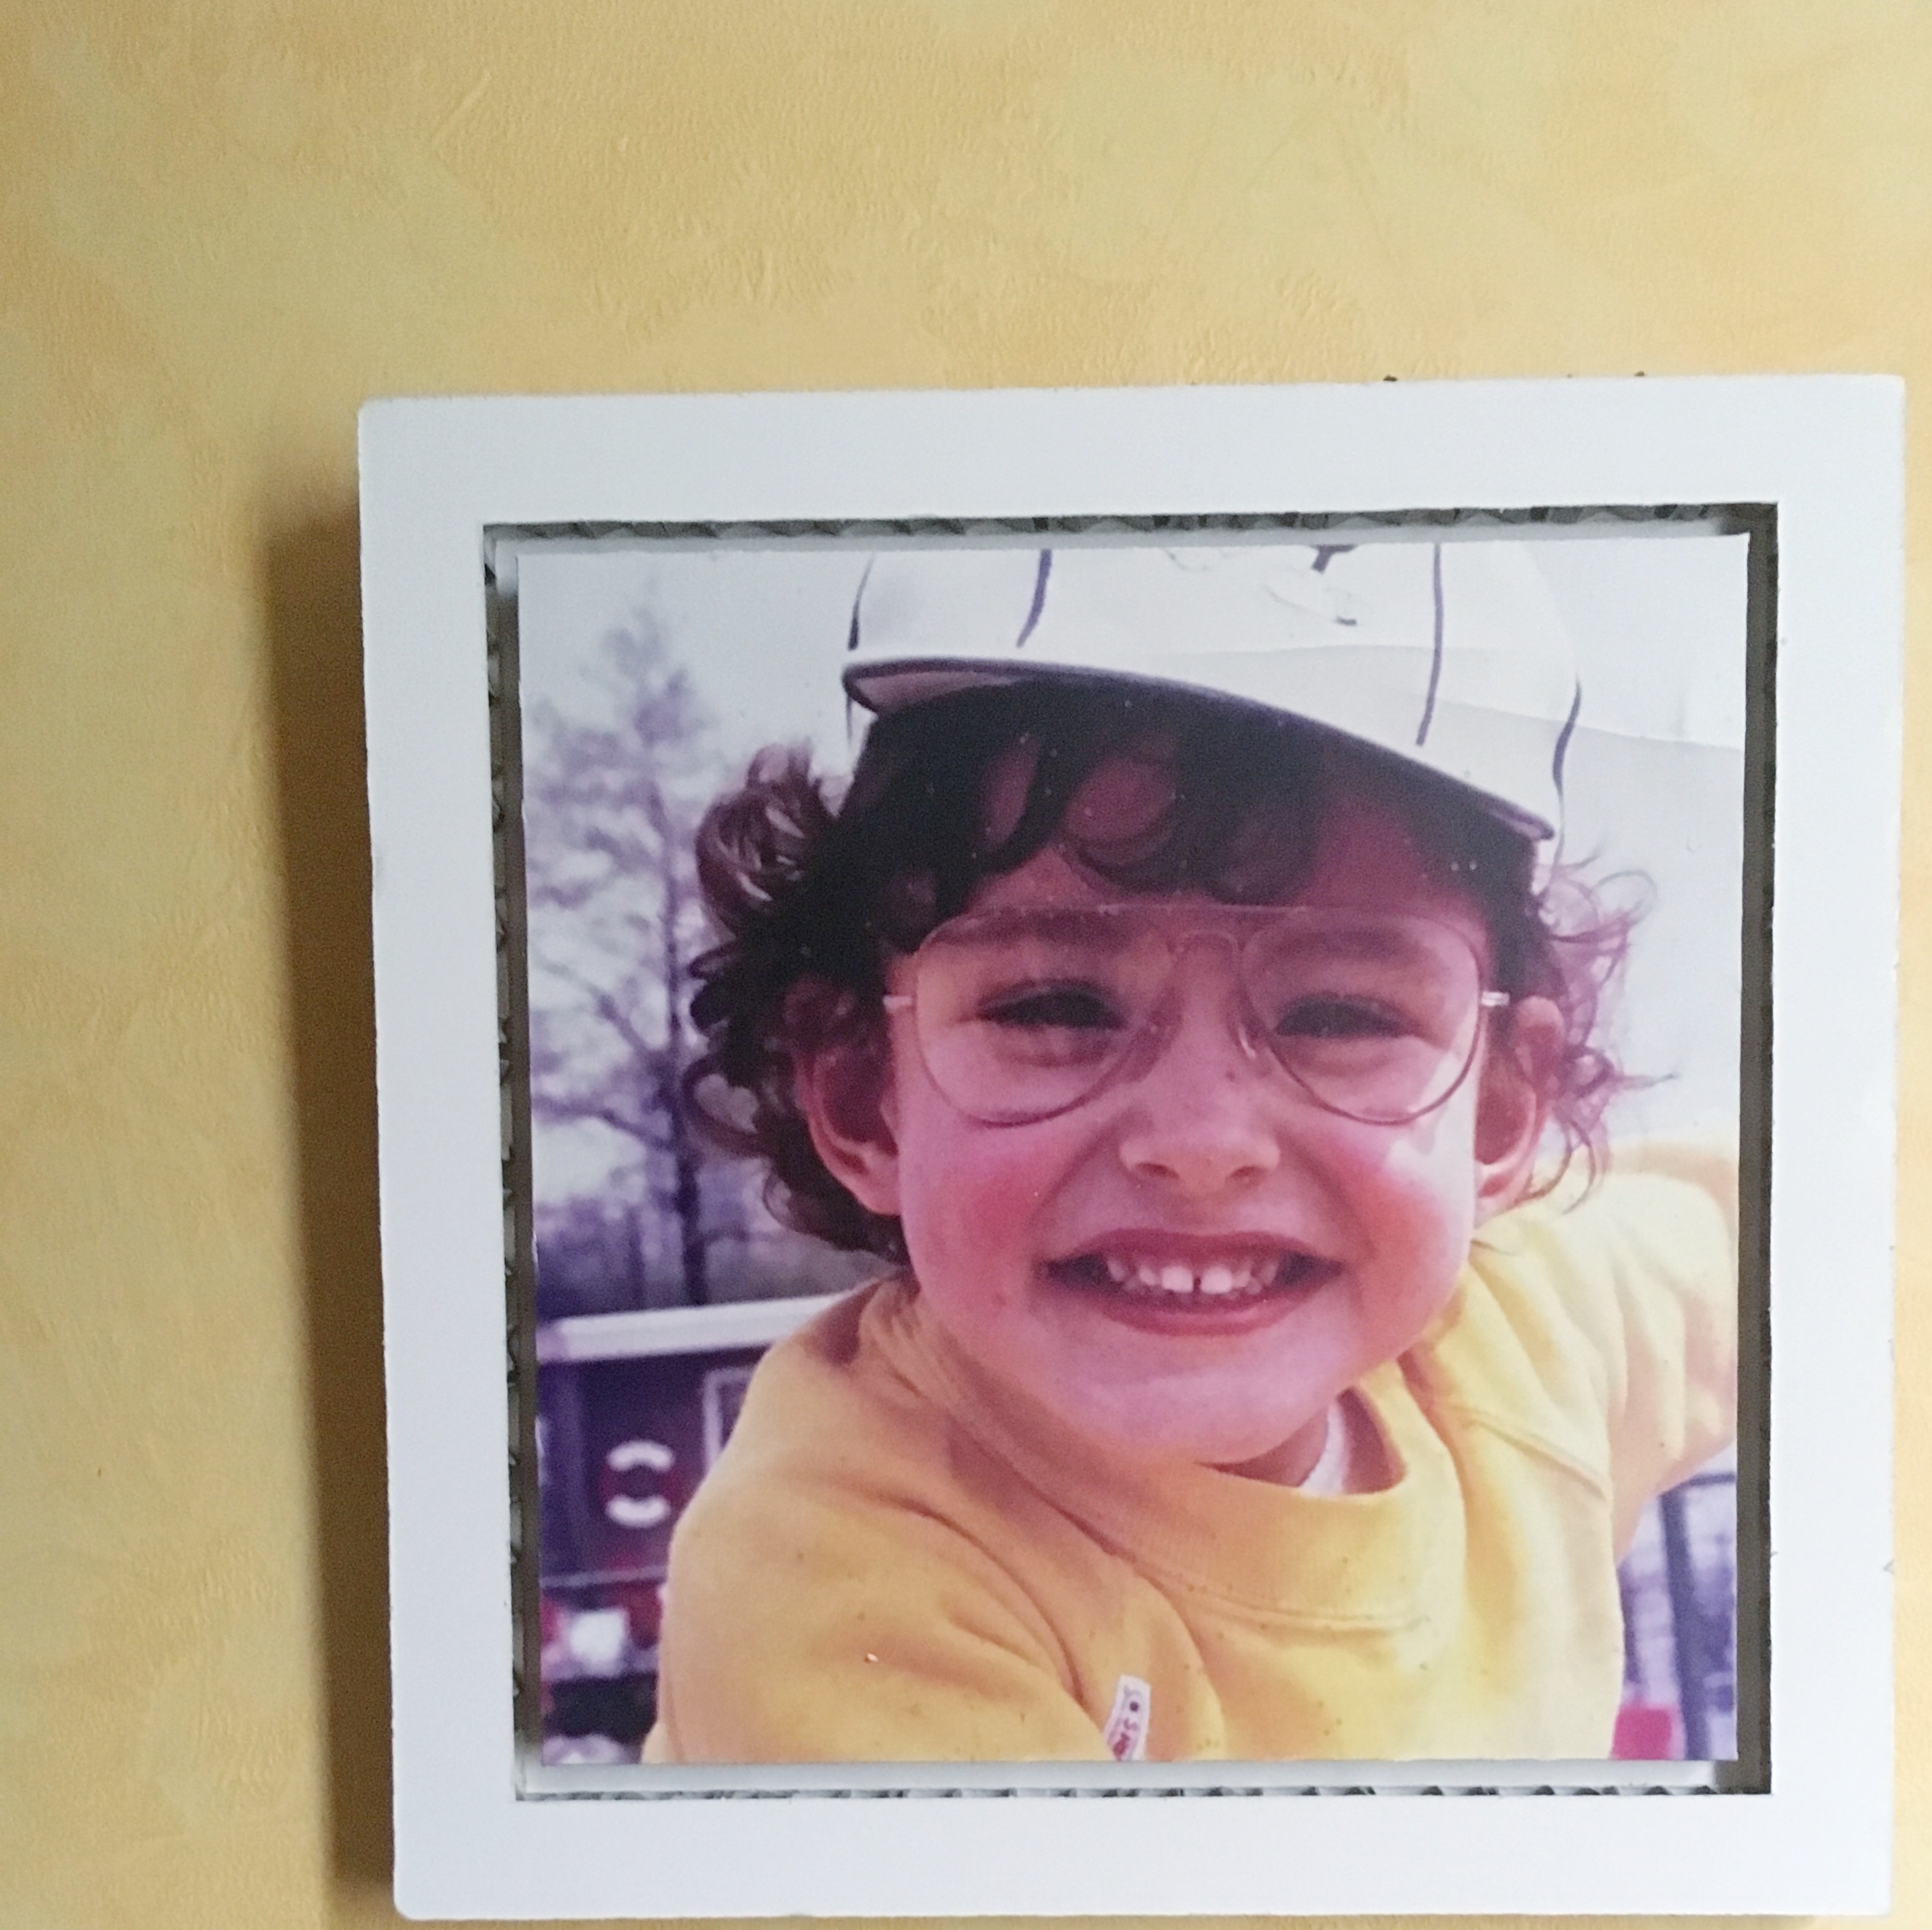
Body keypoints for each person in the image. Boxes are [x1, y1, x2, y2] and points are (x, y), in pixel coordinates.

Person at [643, 539, 1736, 1765]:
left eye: (1341, 1017)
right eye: (1056, 1007)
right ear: (861, 1095)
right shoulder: (838, 1581)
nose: (1202, 1144)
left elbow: (1833, 1212)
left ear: (1496, 1112)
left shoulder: (1527, 1340)